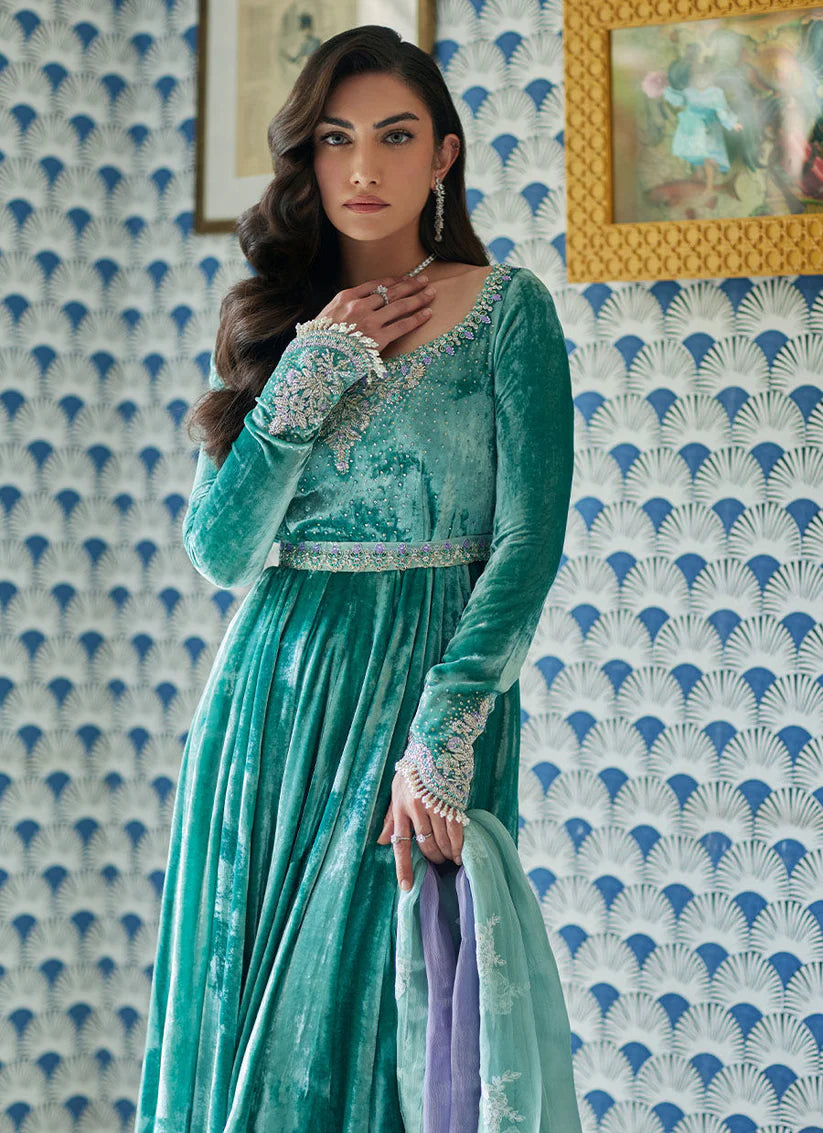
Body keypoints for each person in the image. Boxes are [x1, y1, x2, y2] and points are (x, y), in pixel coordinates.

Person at [135, 23, 578, 1133]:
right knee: (251, 1023)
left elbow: (526, 543)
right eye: (336, 139)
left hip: (421, 692)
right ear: (309, 156)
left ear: (444, 154)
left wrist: (444, 729)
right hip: (269, 702)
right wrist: (306, 376)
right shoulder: (276, 324)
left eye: (395, 136)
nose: (364, 167)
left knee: (391, 1024)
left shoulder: (507, 310)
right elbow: (220, 551)